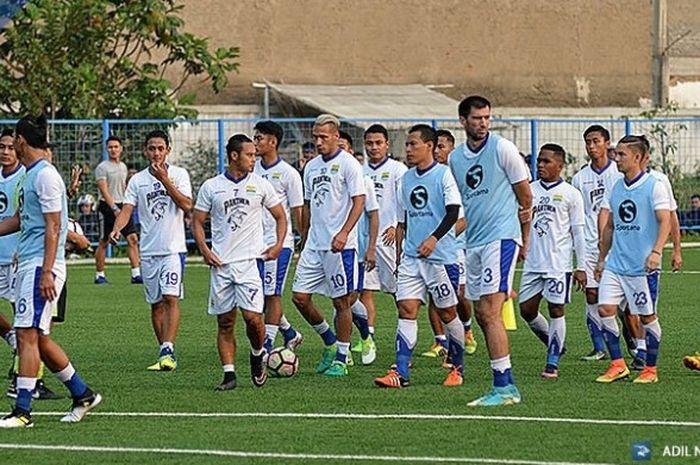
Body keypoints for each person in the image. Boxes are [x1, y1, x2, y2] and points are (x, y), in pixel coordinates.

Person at [0, 115, 101, 428]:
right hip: (28, 264)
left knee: (27, 336)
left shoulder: (45, 176)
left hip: (40, 267)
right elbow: (21, 219)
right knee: (37, 339)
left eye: (14, 138)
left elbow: (55, 226)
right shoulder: (31, 175)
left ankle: (22, 411)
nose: (10, 144)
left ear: (21, 140)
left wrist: (46, 272)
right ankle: (82, 393)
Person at [448, 95, 532, 406]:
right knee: (483, 314)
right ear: (463, 121)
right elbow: (467, 206)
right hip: (474, 242)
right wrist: (445, 237)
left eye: (486, 118)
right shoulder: (456, 159)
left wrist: (524, 239)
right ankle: (502, 383)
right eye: (476, 118)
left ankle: (505, 387)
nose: (483, 123)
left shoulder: (503, 148)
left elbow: (526, 197)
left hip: (501, 238)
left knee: (490, 312)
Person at [193, 134, 287, 390]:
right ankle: (229, 374)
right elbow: (197, 221)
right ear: (234, 156)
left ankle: (257, 354)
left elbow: (280, 217)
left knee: (253, 319)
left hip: (249, 263)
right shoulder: (212, 187)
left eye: (255, 155)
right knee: (225, 321)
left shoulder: (261, 185)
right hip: (221, 264)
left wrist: (278, 245)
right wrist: (204, 249)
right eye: (249, 155)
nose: (253, 159)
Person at [374, 124, 464, 388]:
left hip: (441, 258)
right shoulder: (406, 180)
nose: (409, 149)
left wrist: (434, 239)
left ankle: (457, 367)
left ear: (430, 146)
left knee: (448, 314)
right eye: (407, 145)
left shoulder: (444, 176)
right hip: (412, 259)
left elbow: (452, 213)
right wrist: (401, 255)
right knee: (407, 309)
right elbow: (403, 222)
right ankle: (400, 372)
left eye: (413, 144)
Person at [110, 130, 192, 371]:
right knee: (156, 304)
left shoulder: (179, 174)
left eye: (160, 148)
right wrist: (117, 228)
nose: (156, 152)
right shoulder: (137, 181)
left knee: (170, 297)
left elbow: (187, 205)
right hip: (148, 250)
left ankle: (168, 347)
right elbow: (127, 209)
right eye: (151, 148)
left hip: (172, 249)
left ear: (168, 149)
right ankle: (165, 353)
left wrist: (165, 180)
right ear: (146, 151)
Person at [291, 114, 365, 377]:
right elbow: (309, 205)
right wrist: (304, 235)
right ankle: (330, 342)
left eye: (323, 137)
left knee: (341, 302)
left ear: (336, 136)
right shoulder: (310, 167)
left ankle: (342, 359)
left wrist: (344, 232)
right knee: (299, 298)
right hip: (314, 245)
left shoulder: (349, 165)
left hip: (340, 246)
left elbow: (359, 202)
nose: (318, 142)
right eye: (315, 137)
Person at [595, 135, 671, 384]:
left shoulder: (654, 185)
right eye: (616, 154)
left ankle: (651, 369)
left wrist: (657, 252)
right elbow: (610, 227)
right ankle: (618, 364)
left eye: (621, 154)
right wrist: (602, 258)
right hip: (616, 264)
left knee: (647, 317)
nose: (616, 158)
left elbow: (665, 220)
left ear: (637, 157)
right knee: (604, 309)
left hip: (642, 267)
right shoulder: (616, 187)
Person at [518, 144, 586, 379]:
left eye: (546, 161)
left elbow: (578, 233)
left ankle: (552, 361)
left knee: (556, 308)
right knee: (526, 311)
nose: (541, 165)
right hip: (533, 262)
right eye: (539, 161)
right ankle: (554, 341)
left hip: (559, 264)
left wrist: (581, 266)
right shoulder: (529, 191)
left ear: (560, 165)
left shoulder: (571, 194)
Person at [422, 129, 478, 360]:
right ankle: (440, 341)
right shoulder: (426, 176)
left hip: (457, 246)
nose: (437, 151)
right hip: (432, 246)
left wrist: (442, 236)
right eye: (435, 147)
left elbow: (465, 216)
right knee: (435, 294)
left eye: (442, 147)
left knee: (458, 295)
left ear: (452, 149)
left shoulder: (459, 177)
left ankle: (466, 330)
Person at [571, 125, 622, 362]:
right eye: (588, 142)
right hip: (590, 245)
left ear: (607, 142)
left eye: (596, 141)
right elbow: (577, 215)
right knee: (591, 294)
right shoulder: (580, 178)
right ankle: (599, 347)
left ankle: (633, 342)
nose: (591, 147)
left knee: (621, 302)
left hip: (618, 245)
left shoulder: (619, 173)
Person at [252, 121, 304, 353]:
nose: (255, 142)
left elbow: (297, 210)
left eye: (259, 138)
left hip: (278, 244)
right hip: (254, 244)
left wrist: (301, 242)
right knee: (258, 296)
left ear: (273, 142)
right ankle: (289, 333)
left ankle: (268, 344)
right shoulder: (252, 170)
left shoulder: (289, 174)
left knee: (272, 294)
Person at [358, 124, 407, 356]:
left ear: (387, 144)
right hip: (367, 241)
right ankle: (368, 338)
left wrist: (397, 225)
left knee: (398, 292)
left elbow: (404, 202)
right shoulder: (359, 171)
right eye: (369, 143)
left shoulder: (398, 170)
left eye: (378, 143)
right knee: (365, 291)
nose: (374, 147)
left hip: (389, 240)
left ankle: (405, 336)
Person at [94, 136, 142, 285]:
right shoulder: (102, 167)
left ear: (121, 149)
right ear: (106, 149)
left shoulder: (123, 167)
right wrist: (114, 208)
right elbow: (104, 189)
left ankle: (136, 274)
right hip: (107, 207)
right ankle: (99, 275)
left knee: (132, 238)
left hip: (123, 206)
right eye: (110, 147)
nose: (113, 149)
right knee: (105, 240)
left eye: (116, 146)